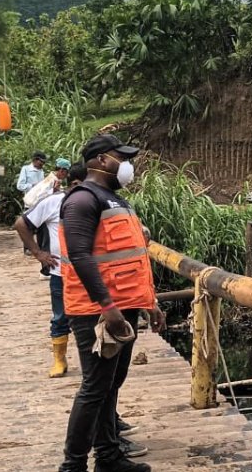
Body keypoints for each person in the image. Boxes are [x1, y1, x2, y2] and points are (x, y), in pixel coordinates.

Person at [57, 134, 163, 472]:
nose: (128, 164)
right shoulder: (82, 200)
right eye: (122, 157)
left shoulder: (114, 200)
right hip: (97, 312)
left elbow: (132, 259)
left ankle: (108, 456)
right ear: (102, 160)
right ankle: (72, 466)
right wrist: (107, 307)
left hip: (124, 306)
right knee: (95, 387)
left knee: (110, 384)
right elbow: (80, 255)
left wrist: (150, 303)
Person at [14, 162, 87, 377]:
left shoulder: (98, 201)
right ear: (74, 183)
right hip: (61, 272)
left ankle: (92, 360)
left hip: (91, 272)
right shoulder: (54, 202)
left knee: (91, 317)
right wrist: (38, 253)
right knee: (60, 315)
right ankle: (59, 359)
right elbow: (21, 224)